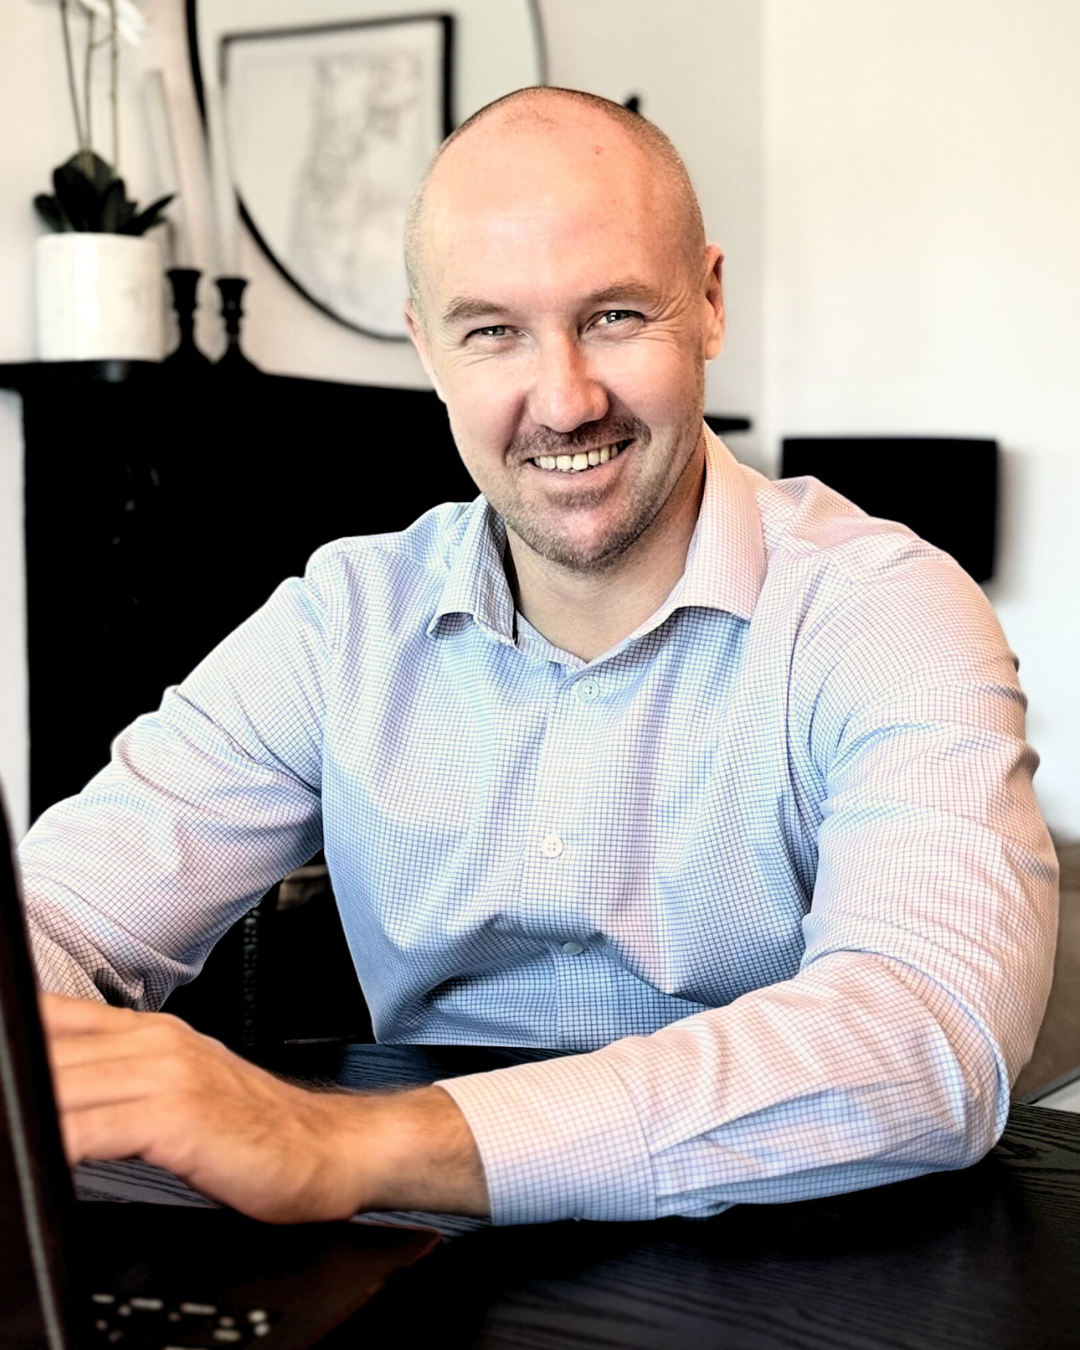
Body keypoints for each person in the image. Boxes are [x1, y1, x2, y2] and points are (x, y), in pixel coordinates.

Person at [21, 87, 1057, 1227]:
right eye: (494, 331)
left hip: (808, 1260)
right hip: (423, 1266)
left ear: (709, 304)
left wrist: (346, 1144)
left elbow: (929, 1034)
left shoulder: (885, 612)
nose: (563, 400)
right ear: (430, 348)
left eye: (614, 315)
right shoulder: (340, 621)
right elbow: (58, 917)